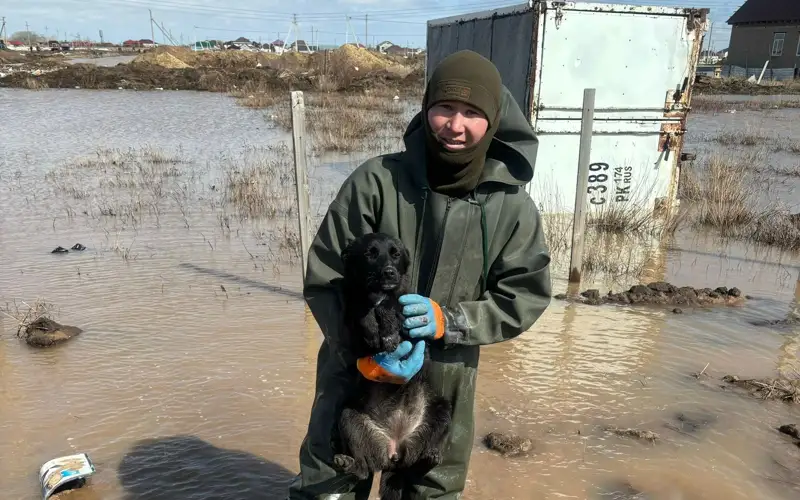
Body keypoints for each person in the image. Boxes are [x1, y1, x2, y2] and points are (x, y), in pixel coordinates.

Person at [287, 49, 552, 499]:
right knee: (329, 483)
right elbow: (326, 276)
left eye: (472, 112)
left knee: (429, 491)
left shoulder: (514, 208)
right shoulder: (376, 181)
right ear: (426, 109)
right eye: (444, 108)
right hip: (353, 376)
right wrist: (360, 351)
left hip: (441, 381)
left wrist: (452, 321)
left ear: (495, 119)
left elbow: (524, 295)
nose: (455, 124)